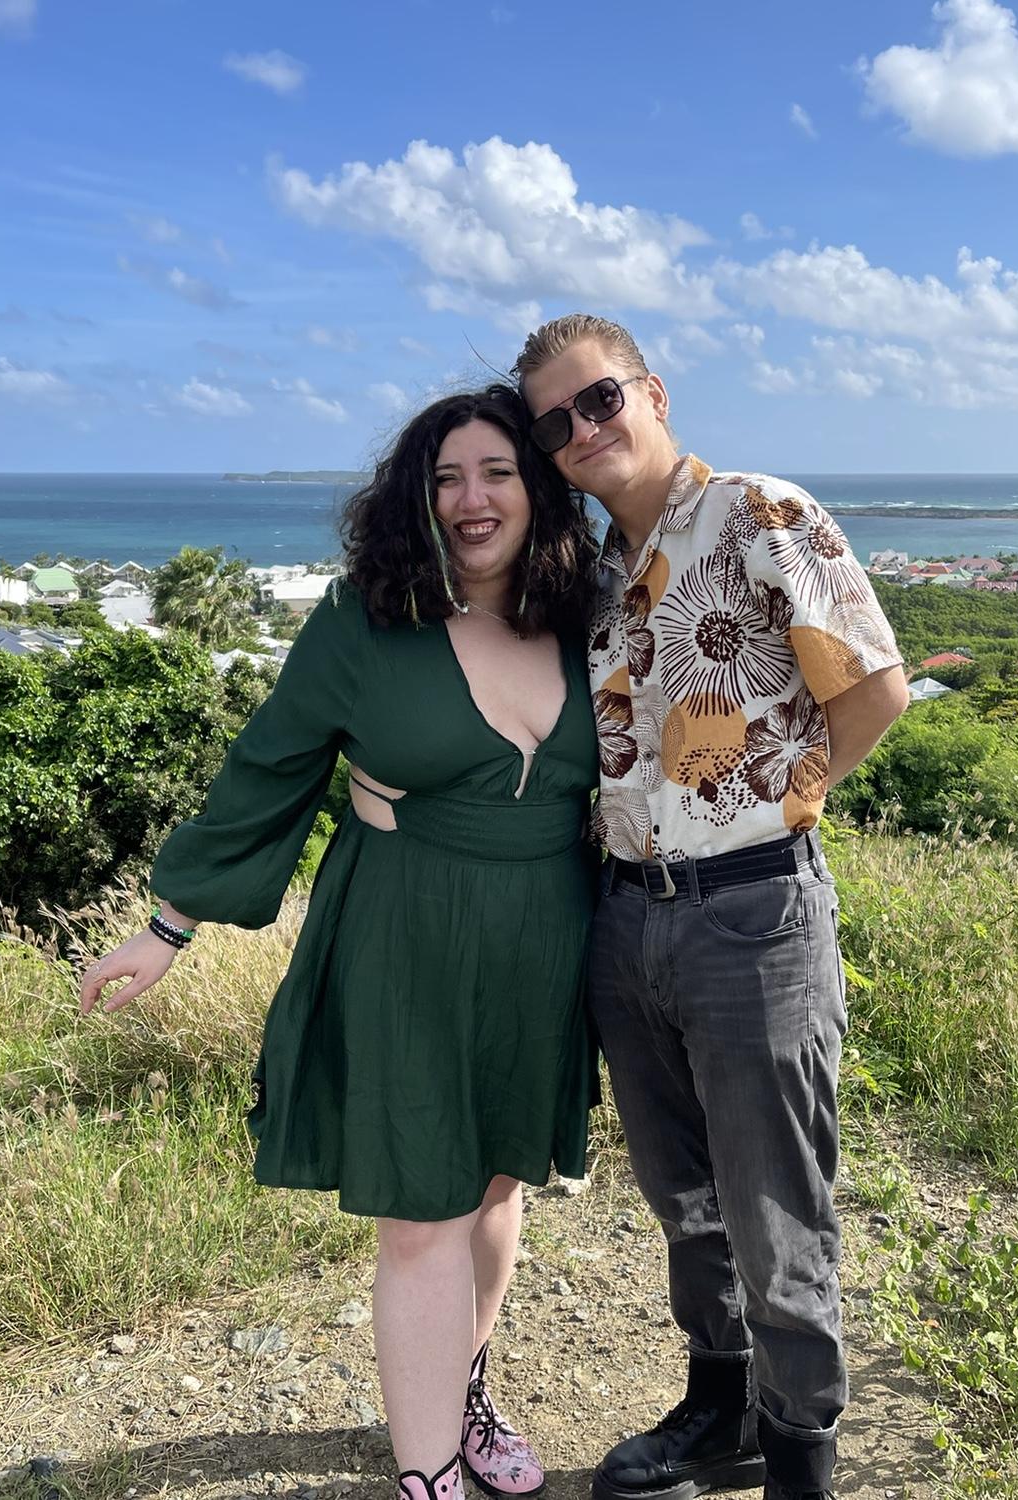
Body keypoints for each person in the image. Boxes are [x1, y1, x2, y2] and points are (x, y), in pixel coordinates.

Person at [78, 384, 602, 1500]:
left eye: (497, 473)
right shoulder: (363, 621)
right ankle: (426, 1480)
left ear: (538, 489)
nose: (471, 499)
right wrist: (170, 924)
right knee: (425, 1210)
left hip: (547, 939)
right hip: (405, 931)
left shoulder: (584, 617)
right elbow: (272, 762)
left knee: (499, 1186)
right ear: (416, 498)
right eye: (447, 477)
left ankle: (461, 1395)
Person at [515, 316, 908, 1500]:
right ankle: (723, 1403)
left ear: (653, 392)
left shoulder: (756, 514)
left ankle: (801, 1453)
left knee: (775, 1204)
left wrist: (780, 803)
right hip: (626, 915)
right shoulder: (589, 576)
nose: (582, 431)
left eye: (599, 401)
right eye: (555, 422)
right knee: (685, 1196)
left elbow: (876, 690)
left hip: (753, 911)